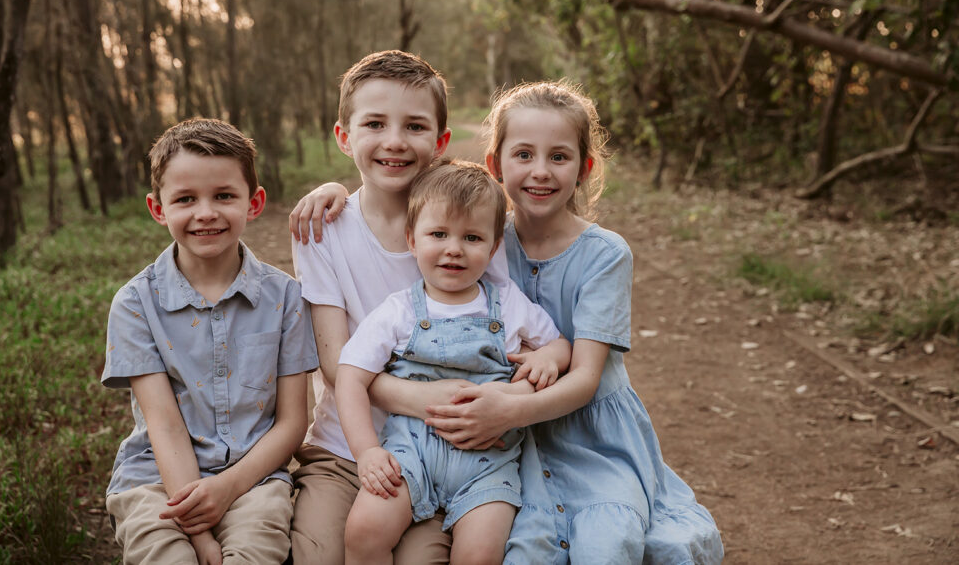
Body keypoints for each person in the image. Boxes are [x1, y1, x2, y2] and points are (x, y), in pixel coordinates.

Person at [293, 81, 724, 564]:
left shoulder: (565, 250)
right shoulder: (479, 234)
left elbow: (576, 365)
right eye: (523, 155)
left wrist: (517, 394)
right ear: (497, 165)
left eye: (558, 157)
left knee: (596, 546)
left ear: (584, 169)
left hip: (558, 431)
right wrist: (336, 188)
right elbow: (423, 191)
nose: (539, 172)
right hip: (467, 438)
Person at [291, 49, 519, 564]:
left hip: (445, 451)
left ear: (440, 143)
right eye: (374, 123)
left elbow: (511, 323)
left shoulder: (468, 229)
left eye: (414, 126)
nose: (394, 141)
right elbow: (335, 362)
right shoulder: (322, 230)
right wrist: (436, 399)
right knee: (321, 555)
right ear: (344, 137)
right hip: (344, 448)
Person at [102, 118, 317, 565]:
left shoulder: (285, 297)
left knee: (255, 552)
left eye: (223, 195)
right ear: (158, 208)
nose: (205, 213)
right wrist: (200, 536)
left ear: (253, 202)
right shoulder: (135, 304)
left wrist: (227, 488)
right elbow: (163, 425)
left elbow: (292, 423)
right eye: (185, 199)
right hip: (156, 479)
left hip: (254, 479)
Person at [336, 160, 570, 565]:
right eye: (438, 234)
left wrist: (551, 355)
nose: (454, 249)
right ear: (412, 239)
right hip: (410, 456)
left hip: (489, 463)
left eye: (472, 237)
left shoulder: (508, 303)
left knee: (479, 555)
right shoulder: (399, 311)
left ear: (494, 247)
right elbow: (350, 377)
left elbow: (561, 345)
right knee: (363, 532)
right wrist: (368, 452)